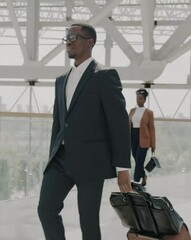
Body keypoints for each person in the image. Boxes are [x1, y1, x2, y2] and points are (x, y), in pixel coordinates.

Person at [37, 23, 132, 240]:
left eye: (74, 37)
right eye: (67, 37)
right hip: (60, 160)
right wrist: (52, 154)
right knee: (45, 210)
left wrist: (123, 166)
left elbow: (118, 123)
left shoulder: (105, 76)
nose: (68, 41)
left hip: (91, 161)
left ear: (90, 42)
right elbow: (58, 123)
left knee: (88, 221)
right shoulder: (61, 80)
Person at [129, 89, 156, 186]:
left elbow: (152, 128)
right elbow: (129, 125)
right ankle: (143, 176)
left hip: (144, 139)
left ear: (144, 100)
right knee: (136, 160)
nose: (138, 100)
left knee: (139, 160)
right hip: (133, 137)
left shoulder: (149, 112)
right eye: (137, 98)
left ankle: (135, 181)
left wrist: (153, 144)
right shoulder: (132, 111)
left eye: (140, 98)